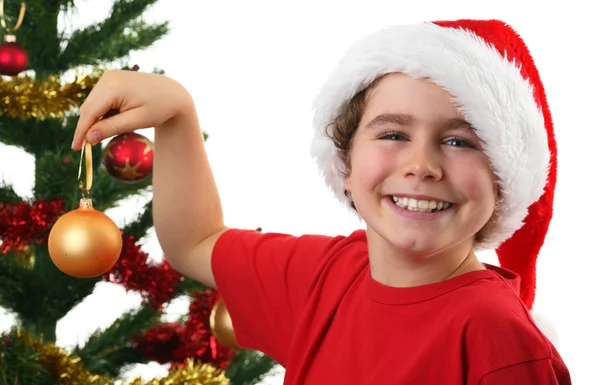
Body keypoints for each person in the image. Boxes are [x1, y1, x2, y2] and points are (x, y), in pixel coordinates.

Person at [72, 18, 571, 385]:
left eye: (461, 141)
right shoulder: (327, 275)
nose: (422, 165)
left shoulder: (498, 341)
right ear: (346, 167)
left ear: (505, 180)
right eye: (394, 133)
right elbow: (195, 241)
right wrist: (177, 114)